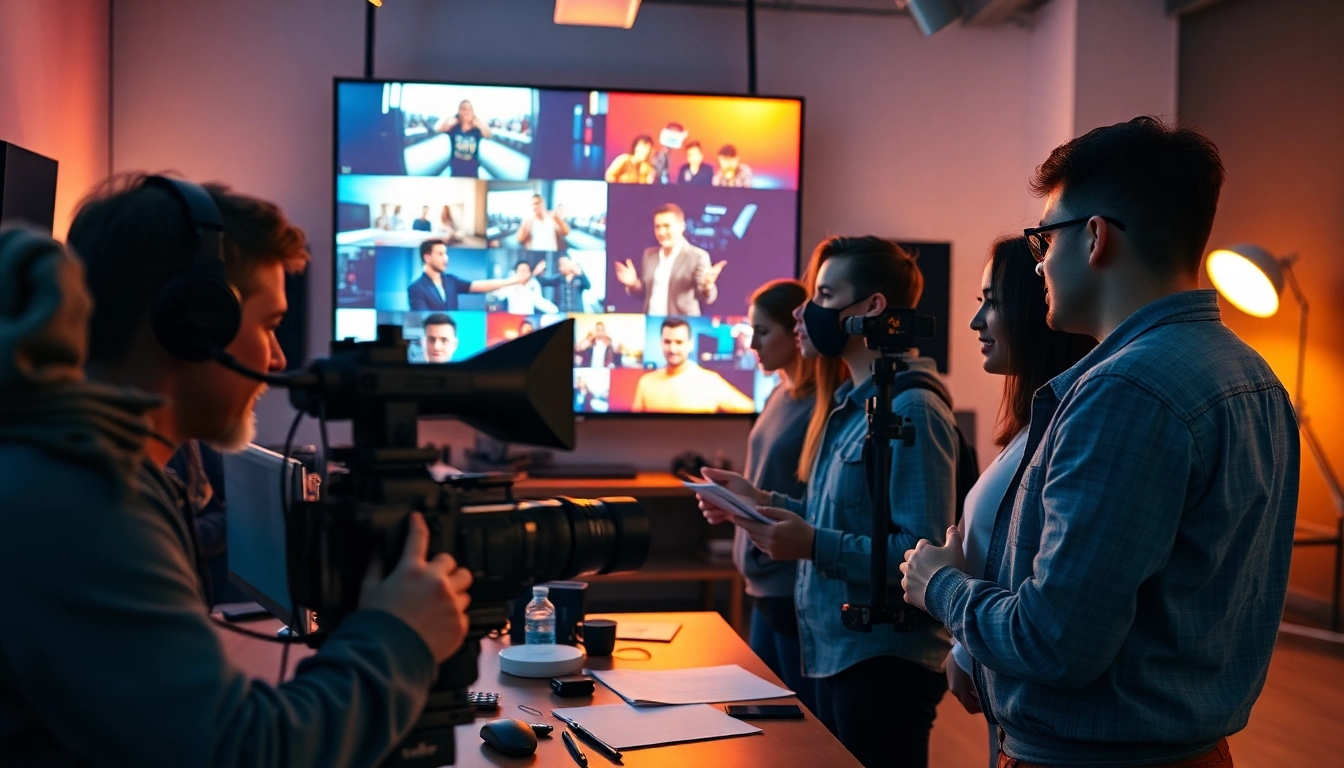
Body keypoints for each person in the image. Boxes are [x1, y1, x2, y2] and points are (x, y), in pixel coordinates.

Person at [0, 178, 474, 766]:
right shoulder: (79, 499)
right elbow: (243, 754)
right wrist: (401, 635)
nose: (277, 358)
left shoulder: (88, 471)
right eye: (269, 324)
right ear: (196, 323)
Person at [901, 117, 1300, 768]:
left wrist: (938, 585)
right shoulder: (1251, 375)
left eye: (1042, 239)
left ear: (1093, 237)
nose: (1039, 263)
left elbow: (1054, 640)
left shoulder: (1125, 393)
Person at [698, 236, 958, 768]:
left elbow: (921, 553)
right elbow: (837, 514)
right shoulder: (848, 406)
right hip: (834, 651)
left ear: (872, 309)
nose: (806, 311)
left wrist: (813, 545)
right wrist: (759, 499)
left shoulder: (914, 410)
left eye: (824, 294)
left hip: (882, 665)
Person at [950, 236, 1096, 765]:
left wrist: (940, 585)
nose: (977, 322)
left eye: (993, 302)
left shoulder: (1068, 425)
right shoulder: (1030, 425)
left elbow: (1050, 605)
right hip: (1006, 687)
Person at [722, 279, 826, 712]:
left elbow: (815, 498)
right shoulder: (779, 393)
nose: (752, 343)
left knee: (796, 724)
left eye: (762, 331)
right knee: (763, 717)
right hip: (762, 582)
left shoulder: (823, 403)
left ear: (794, 329)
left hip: (790, 582)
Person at [613, 203, 725, 316]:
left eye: (667, 226)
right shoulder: (649, 254)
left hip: (682, 322)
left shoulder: (698, 256)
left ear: (682, 226)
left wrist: (707, 286)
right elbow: (644, 293)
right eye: (658, 227)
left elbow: (707, 299)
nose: (661, 232)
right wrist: (633, 284)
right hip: (651, 321)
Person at [632, 318, 754, 414]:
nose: (672, 349)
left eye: (679, 342)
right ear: (661, 343)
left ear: (690, 344)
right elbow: (633, 429)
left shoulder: (710, 382)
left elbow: (751, 408)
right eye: (667, 342)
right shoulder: (646, 382)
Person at [407, 238, 521, 311]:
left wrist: (512, 280)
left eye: (446, 253)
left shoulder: (451, 281)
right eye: (440, 254)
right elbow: (422, 318)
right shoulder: (416, 288)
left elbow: (479, 286)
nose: (446, 258)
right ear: (427, 257)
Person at [434, 99, 494, 178]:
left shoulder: (476, 130)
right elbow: (437, 128)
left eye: (469, 109)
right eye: (464, 109)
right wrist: (450, 115)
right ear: (459, 111)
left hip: (472, 172)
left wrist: (478, 122)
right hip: (455, 171)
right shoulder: (454, 128)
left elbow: (489, 134)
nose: (467, 112)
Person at [492, 260, 558, 315]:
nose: (524, 273)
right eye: (522, 270)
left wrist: (555, 311)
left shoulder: (533, 283)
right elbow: (498, 295)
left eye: (526, 270)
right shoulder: (510, 283)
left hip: (529, 317)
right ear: (516, 272)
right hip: (513, 317)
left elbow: (539, 301)